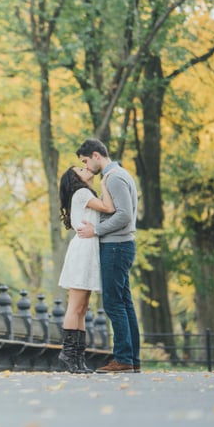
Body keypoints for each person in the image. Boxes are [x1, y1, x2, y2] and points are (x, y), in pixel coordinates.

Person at [75, 138, 140, 373]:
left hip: (116, 247)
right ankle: (131, 359)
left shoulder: (115, 177)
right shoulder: (115, 176)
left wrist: (96, 230)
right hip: (120, 246)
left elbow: (123, 215)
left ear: (95, 155)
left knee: (114, 304)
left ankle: (123, 359)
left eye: (85, 161)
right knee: (124, 304)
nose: (86, 167)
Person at [57, 165, 115, 373]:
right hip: (82, 251)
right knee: (75, 306)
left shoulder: (86, 194)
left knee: (83, 308)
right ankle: (69, 353)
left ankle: (78, 357)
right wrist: (105, 183)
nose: (86, 168)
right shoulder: (81, 193)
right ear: (76, 178)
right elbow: (109, 208)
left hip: (89, 251)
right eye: (80, 169)